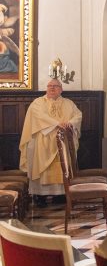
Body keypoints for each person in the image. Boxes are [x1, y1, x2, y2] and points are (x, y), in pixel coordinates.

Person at [19, 79, 82, 207]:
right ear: (46, 88)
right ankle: (40, 195)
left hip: (63, 142)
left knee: (62, 167)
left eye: (55, 86)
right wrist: (58, 124)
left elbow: (78, 115)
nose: (52, 88)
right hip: (43, 142)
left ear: (61, 89)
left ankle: (60, 194)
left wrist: (70, 123)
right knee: (41, 169)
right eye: (49, 86)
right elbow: (39, 117)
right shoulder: (38, 103)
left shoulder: (69, 103)